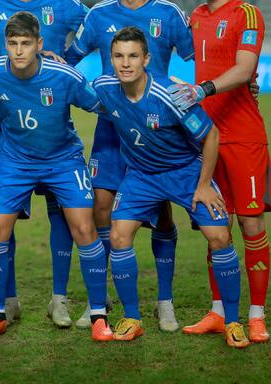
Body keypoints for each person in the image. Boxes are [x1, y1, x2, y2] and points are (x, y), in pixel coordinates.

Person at [0, 11, 112, 342]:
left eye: (26, 43)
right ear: (5, 45)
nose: (19, 50)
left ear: (39, 44)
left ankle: (99, 315)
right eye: (13, 44)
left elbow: (103, 105)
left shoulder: (63, 76)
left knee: (83, 227)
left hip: (63, 159)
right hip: (15, 161)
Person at [65, 0, 194, 331]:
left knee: (161, 212)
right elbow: (70, 60)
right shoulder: (99, 14)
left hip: (158, 132)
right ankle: (101, 301)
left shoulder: (169, 14)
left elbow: (196, 58)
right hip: (112, 126)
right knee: (101, 208)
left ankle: (165, 301)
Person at [94, 26, 247, 348]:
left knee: (219, 236)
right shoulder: (104, 88)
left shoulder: (169, 96)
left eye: (133, 56)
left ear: (146, 59)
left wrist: (204, 184)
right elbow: (69, 88)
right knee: (119, 235)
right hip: (141, 175)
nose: (125, 63)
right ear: (110, 59)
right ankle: (132, 317)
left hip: (185, 172)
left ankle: (233, 321)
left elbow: (211, 136)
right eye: (119, 56)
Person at [0, 0, 89, 328]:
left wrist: (67, 59)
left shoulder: (64, 4)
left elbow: (102, 27)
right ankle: (7, 299)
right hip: (2, 129)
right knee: (3, 214)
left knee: (62, 213)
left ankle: (59, 299)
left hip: (53, 129)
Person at [168, 0, 270, 343]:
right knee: (217, 225)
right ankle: (218, 311)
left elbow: (245, 69)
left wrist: (203, 88)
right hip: (207, 136)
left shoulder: (247, 14)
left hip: (244, 136)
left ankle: (257, 315)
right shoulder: (195, 17)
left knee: (251, 222)